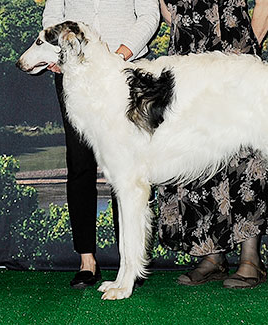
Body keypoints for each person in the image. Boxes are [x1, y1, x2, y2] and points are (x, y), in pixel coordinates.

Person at [158, 0, 268, 288]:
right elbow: (166, 8)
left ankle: (251, 259)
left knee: (246, 154)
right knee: (194, 152)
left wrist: (246, 52)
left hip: (234, 55)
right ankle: (212, 257)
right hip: (186, 59)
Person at [42, 0, 159, 288]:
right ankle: (87, 261)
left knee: (127, 169)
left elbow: (149, 15)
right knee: (80, 164)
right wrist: (59, 56)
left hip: (126, 74)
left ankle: (128, 263)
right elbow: (53, 17)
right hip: (77, 75)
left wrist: (121, 55)